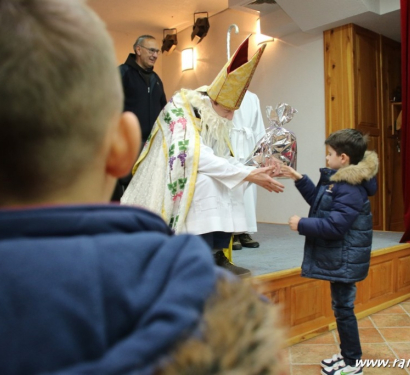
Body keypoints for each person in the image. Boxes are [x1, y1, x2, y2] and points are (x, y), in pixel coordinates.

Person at [0, 1, 285, 374]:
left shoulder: (174, 94)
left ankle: (219, 249)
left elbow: (223, 154)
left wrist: (255, 165)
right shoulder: (199, 302)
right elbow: (195, 158)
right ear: (122, 147)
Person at [122, 36, 284, 278]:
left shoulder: (214, 117)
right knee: (206, 183)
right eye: (228, 111)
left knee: (231, 182)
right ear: (213, 101)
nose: (229, 119)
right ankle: (201, 254)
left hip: (194, 165)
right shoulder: (182, 107)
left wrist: (252, 169)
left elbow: (223, 157)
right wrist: (246, 173)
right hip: (165, 172)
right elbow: (193, 155)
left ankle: (219, 254)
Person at [281, 129, 378, 375]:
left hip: (344, 258)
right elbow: (319, 202)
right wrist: (298, 177)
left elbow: (335, 226)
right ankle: (348, 356)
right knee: (341, 307)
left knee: (344, 309)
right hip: (341, 257)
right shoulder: (340, 181)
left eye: (330, 154)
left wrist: (301, 224)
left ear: (343, 158)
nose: (326, 159)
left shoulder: (350, 187)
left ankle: (353, 363)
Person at [112, 34, 167, 200]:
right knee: (127, 193)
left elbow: (165, 111)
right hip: (127, 145)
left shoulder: (156, 80)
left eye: (157, 51)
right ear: (138, 50)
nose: (155, 55)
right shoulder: (122, 74)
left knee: (149, 193)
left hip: (152, 147)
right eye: (151, 50)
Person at [231, 90, 267, 250]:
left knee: (249, 191)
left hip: (248, 144)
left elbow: (258, 126)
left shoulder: (253, 97)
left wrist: (262, 151)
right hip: (231, 142)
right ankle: (232, 232)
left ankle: (245, 230)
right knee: (232, 188)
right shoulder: (223, 90)